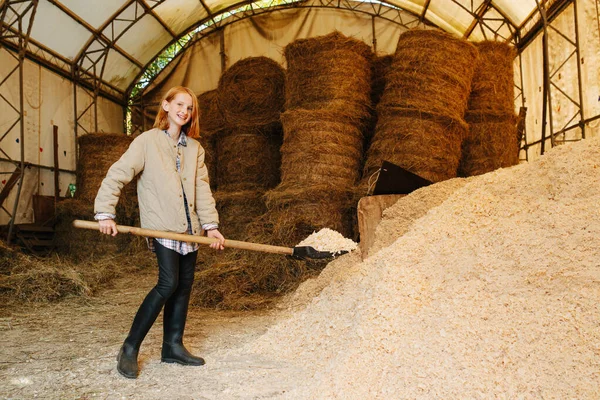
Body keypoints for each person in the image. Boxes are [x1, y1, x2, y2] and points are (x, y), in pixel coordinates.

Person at [94, 86, 225, 379]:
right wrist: (105, 212)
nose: (184, 111)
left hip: (189, 228)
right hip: (162, 224)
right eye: (179, 104)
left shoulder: (195, 149)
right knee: (168, 284)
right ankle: (129, 348)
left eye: (189, 108)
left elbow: (201, 188)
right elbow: (119, 173)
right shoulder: (147, 142)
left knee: (183, 286)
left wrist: (211, 225)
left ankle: (172, 347)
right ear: (165, 106)